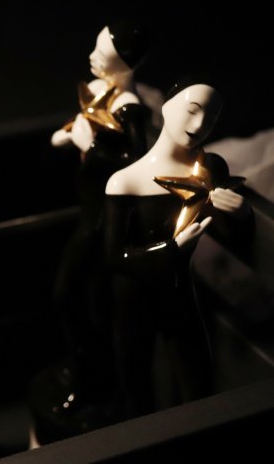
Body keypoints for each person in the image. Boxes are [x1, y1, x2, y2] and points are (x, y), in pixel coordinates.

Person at [30, 22, 150, 445]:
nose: (92, 58)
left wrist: (88, 144)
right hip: (87, 210)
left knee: (73, 296)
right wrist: (71, 135)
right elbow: (73, 130)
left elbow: (136, 162)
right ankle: (85, 366)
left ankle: (94, 377)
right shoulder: (100, 92)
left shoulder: (130, 107)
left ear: (127, 64)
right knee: (77, 298)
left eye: (103, 54)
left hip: (105, 220)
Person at [104, 79, 252, 418]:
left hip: (178, 291)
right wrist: (171, 250)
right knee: (136, 392)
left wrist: (242, 215)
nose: (198, 125)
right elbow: (113, 257)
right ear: (167, 105)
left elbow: (233, 239)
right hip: (132, 298)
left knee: (198, 386)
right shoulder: (124, 180)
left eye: (211, 118)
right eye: (192, 110)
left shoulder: (209, 170)